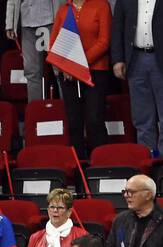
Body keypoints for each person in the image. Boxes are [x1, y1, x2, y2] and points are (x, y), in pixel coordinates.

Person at [112, 0, 163, 158]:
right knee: (142, 119)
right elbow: (117, 27)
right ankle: (147, 162)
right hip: (135, 60)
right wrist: (117, 59)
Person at [48, 0, 111, 158]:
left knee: (94, 119)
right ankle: (78, 166)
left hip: (95, 71)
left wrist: (80, 63)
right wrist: (68, 67)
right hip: (69, 75)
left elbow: (104, 41)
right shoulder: (63, 10)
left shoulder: (101, 5)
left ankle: (100, 162)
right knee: (74, 122)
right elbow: (54, 45)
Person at [7, 0, 61, 102]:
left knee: (60, 70)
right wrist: (10, 22)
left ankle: (68, 112)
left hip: (52, 19)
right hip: (27, 21)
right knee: (31, 72)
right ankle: (36, 112)